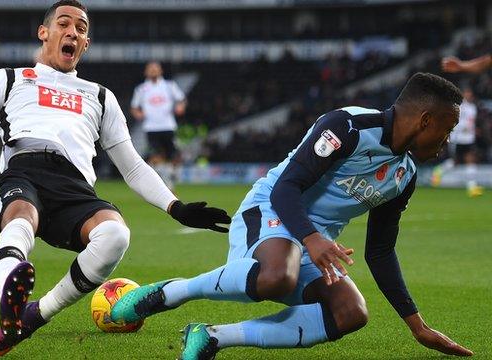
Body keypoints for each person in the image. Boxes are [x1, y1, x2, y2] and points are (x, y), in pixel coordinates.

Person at [0, 1, 230, 357]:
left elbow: (133, 166)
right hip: (24, 169)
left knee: (116, 233)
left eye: (81, 28)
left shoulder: (101, 96)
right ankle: (8, 302)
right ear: (44, 32)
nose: (73, 31)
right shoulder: (10, 78)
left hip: (75, 186)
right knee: (21, 216)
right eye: (64, 23)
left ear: (85, 44)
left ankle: (34, 315)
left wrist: (176, 207)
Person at [111, 73, 474, 359]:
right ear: (425, 120)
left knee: (351, 313)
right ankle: (173, 292)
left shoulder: (404, 175)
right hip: (270, 210)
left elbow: (380, 251)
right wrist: (312, 238)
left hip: (312, 243)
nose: (447, 142)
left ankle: (212, 337)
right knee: (277, 276)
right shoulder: (347, 127)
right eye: (448, 129)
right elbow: (287, 187)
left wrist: (417, 326)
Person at [131, 61, 187, 189]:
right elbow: (134, 107)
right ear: (146, 72)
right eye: (150, 69)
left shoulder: (169, 86)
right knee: (156, 156)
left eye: (155, 69)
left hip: (168, 126)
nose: (153, 71)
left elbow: (181, 99)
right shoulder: (141, 89)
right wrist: (138, 114)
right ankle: (164, 182)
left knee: (174, 157)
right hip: (151, 127)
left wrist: (180, 106)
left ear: (161, 71)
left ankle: (170, 177)